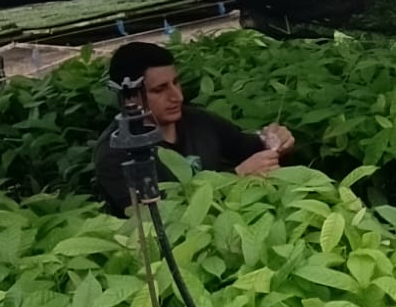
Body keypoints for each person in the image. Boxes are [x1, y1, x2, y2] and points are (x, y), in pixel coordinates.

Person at [94, 41, 293, 213]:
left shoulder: (198, 120)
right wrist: (235, 177)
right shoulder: (115, 153)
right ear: (129, 97)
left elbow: (247, 146)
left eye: (175, 82)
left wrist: (274, 141)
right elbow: (159, 218)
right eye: (160, 89)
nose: (177, 96)